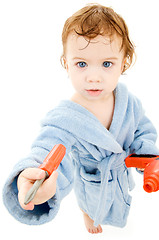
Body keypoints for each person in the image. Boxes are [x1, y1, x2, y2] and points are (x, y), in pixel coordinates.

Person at [3, 3, 159, 234]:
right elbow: (47, 148)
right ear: (66, 63)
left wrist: (145, 154)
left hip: (118, 178)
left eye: (107, 64)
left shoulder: (129, 102)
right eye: (81, 64)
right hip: (92, 182)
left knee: (118, 206)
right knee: (90, 204)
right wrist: (35, 174)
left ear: (124, 62)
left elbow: (143, 129)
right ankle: (86, 213)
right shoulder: (66, 118)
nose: (93, 77)